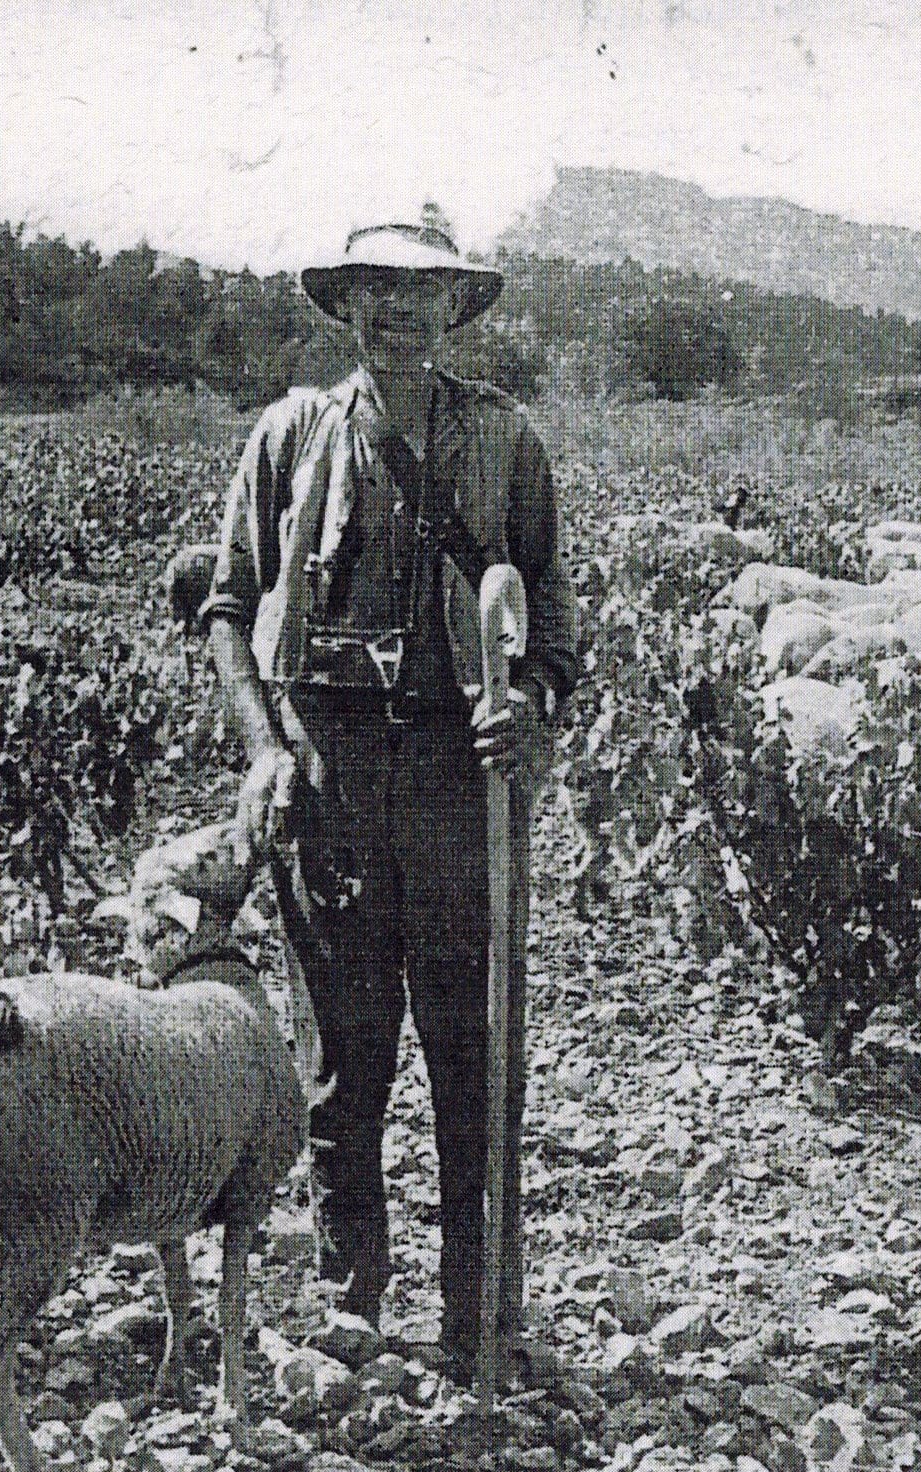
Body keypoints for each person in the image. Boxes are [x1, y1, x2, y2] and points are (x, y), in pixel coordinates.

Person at [196, 222, 580, 1376]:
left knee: (474, 1059)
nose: (395, 311)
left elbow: (552, 614)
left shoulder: (504, 444)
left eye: (419, 292)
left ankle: (480, 1318)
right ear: (345, 308)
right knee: (340, 1065)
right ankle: (351, 1301)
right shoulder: (292, 437)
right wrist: (265, 750)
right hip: (331, 782)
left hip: (463, 786)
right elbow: (226, 611)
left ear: (455, 309)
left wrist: (537, 701)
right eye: (373, 291)